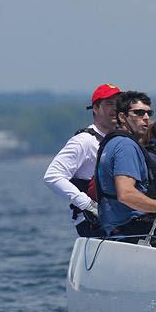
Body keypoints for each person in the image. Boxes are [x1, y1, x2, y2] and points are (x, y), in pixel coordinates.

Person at [95, 91, 156, 245]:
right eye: (138, 113)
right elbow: (126, 195)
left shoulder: (114, 141)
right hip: (127, 230)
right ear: (122, 117)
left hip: (119, 228)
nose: (145, 117)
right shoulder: (126, 146)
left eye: (148, 113)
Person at [43, 83, 121, 237]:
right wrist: (87, 204)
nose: (115, 108)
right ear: (96, 108)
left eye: (118, 103)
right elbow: (52, 175)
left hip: (117, 217)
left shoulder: (119, 139)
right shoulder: (84, 141)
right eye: (109, 103)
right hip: (91, 223)